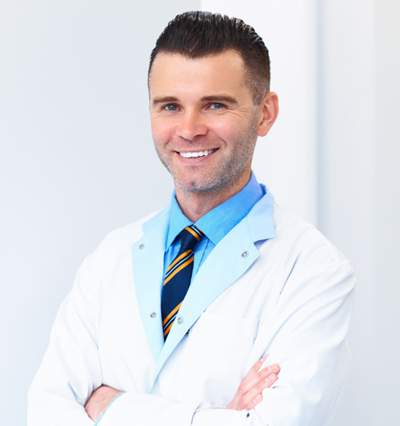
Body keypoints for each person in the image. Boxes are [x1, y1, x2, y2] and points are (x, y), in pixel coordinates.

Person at [28, 11, 355, 426]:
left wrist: (110, 406)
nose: (188, 129)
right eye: (170, 106)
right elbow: (46, 411)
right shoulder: (109, 259)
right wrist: (219, 416)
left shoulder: (314, 272)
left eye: (215, 104)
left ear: (265, 113)